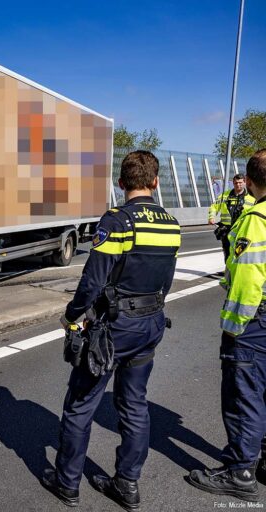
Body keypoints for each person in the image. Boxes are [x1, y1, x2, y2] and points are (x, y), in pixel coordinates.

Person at [42, 150, 180, 510]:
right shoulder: (170, 223)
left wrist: (72, 315)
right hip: (150, 324)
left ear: (121, 183)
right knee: (134, 405)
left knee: (80, 404)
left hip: (114, 328)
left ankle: (67, 483)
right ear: (154, 182)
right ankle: (127, 484)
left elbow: (93, 279)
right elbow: (166, 279)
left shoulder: (117, 221)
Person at [187, 149, 266, 503]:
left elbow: (248, 280)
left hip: (254, 321)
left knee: (243, 395)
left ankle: (240, 471)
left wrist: (234, 328)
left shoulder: (256, 219)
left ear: (248, 182)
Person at [208, 174, 255, 261]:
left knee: (240, 252)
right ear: (233, 183)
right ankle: (228, 271)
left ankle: (236, 270)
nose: (238, 185)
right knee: (227, 252)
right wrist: (211, 217)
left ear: (244, 182)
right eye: (236, 183)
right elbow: (214, 207)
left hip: (242, 230)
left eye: (240, 182)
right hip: (226, 230)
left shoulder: (251, 198)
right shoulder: (224, 196)